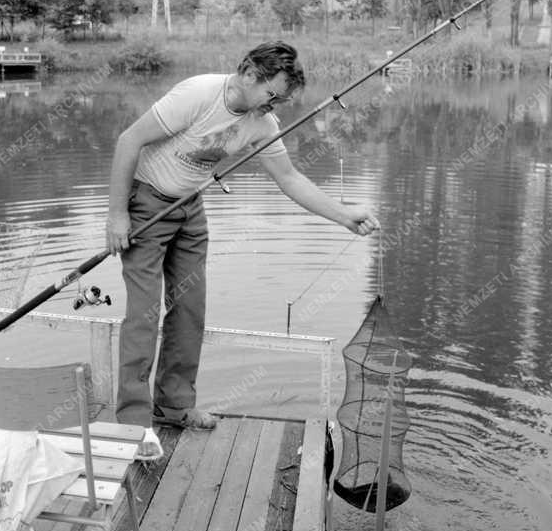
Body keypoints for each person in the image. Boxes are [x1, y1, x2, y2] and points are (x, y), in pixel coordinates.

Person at [106, 41, 379, 458]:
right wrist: (116, 216)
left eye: (281, 100)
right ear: (250, 74)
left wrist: (344, 216)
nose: (275, 106)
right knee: (143, 314)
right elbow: (129, 141)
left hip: (189, 207)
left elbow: (289, 179)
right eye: (272, 95)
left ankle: (174, 406)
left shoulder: (263, 123)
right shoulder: (198, 95)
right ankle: (133, 424)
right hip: (146, 203)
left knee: (190, 309)